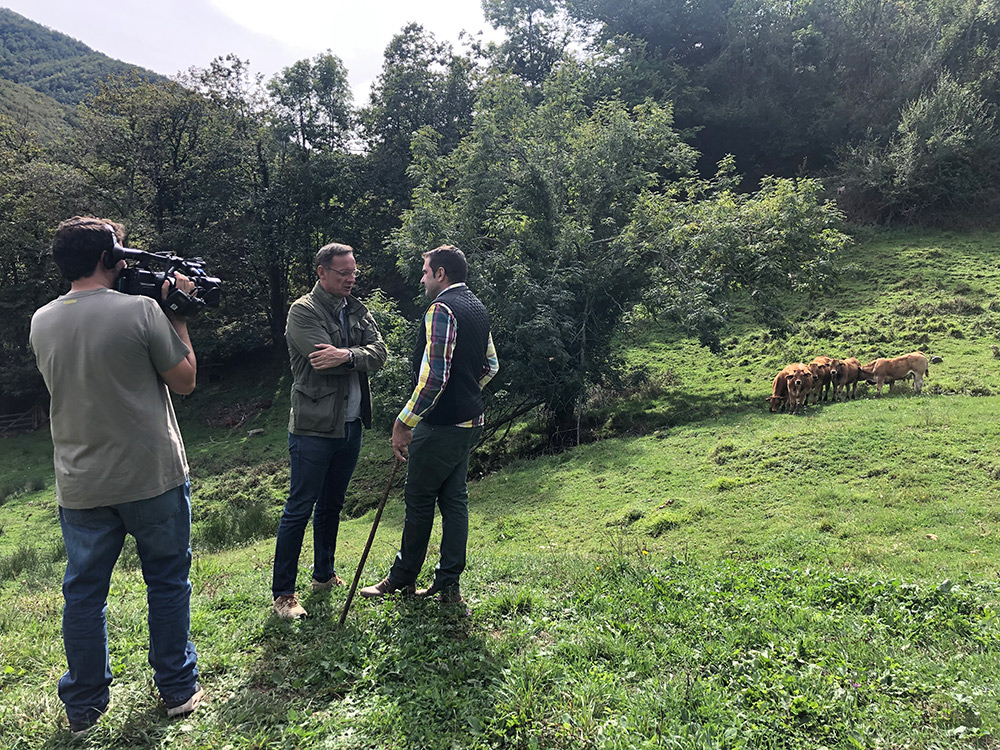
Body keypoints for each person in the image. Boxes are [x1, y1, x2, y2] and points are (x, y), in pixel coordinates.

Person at [29, 216, 202, 736]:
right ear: (108, 257)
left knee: (83, 594)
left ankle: (83, 705)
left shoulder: (41, 320)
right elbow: (185, 380)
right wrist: (179, 315)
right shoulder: (142, 310)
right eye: (120, 249)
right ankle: (176, 687)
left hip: (80, 481)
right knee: (167, 582)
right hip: (152, 473)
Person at [361, 245, 498, 605]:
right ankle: (448, 586)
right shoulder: (477, 307)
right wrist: (466, 391)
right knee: (454, 499)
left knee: (419, 499)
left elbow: (434, 378)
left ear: (441, 273)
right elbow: (491, 366)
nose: (421, 278)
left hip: (440, 425)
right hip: (472, 420)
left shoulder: (441, 309)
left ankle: (401, 579)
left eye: (425, 271)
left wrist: (405, 421)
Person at [271, 242, 387, 619]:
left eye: (353, 272)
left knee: (332, 505)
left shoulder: (357, 308)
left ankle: (323, 575)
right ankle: (283, 595)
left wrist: (349, 355)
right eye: (343, 273)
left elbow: (380, 354)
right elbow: (321, 360)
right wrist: (354, 356)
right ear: (322, 272)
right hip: (312, 429)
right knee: (299, 507)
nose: (351, 279)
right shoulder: (303, 310)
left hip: (351, 425)